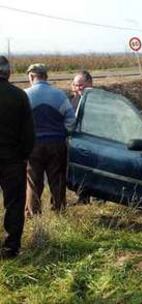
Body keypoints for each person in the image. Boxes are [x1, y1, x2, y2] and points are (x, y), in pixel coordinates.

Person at [25, 63, 76, 216]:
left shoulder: (25, 94)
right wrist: (63, 132)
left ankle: (34, 215)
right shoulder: (59, 94)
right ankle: (59, 212)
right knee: (57, 179)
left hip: (33, 144)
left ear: (32, 76)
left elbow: (18, 121)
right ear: (45, 76)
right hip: (56, 144)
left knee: (33, 181)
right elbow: (71, 120)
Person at [0, 56, 35, 258]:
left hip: (12, 157)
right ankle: (11, 247)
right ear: (8, 72)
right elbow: (29, 134)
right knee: (14, 203)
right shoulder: (19, 96)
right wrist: (23, 156)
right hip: (12, 160)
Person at [71, 71, 93, 204]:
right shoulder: (73, 100)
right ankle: (83, 197)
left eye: (81, 85)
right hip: (77, 143)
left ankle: (96, 197)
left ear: (90, 83)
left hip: (93, 142)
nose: (78, 88)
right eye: (76, 85)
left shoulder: (98, 100)